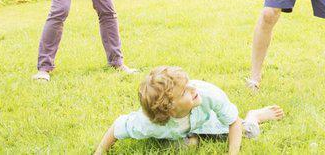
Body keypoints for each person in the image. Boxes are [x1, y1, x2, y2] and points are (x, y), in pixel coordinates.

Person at [94, 66, 284, 154]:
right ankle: (190, 139)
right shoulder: (146, 123)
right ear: (169, 109)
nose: (193, 89)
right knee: (185, 146)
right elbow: (119, 126)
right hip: (176, 132)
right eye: (185, 91)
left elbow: (233, 122)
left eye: (189, 84)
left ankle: (254, 116)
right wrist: (101, 150)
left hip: (210, 124)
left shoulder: (207, 94)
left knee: (248, 132)